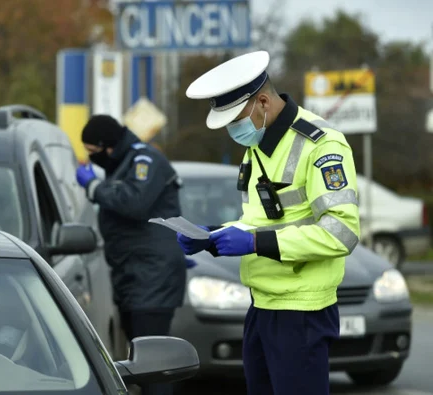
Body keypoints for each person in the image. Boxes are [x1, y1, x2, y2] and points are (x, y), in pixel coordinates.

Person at [178, 50, 360, 395]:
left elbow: (342, 232)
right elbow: (263, 218)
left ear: (262, 101)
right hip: (262, 306)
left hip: (302, 311)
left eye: (236, 120)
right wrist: (214, 236)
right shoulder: (258, 146)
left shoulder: (321, 145)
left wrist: (256, 243)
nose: (234, 130)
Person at [75, 114, 185, 395]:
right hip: (136, 274)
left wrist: (93, 187)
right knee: (143, 359)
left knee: (154, 363)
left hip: (151, 276)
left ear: (107, 146)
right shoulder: (122, 163)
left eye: (92, 152)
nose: (93, 159)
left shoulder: (143, 160)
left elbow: (135, 202)